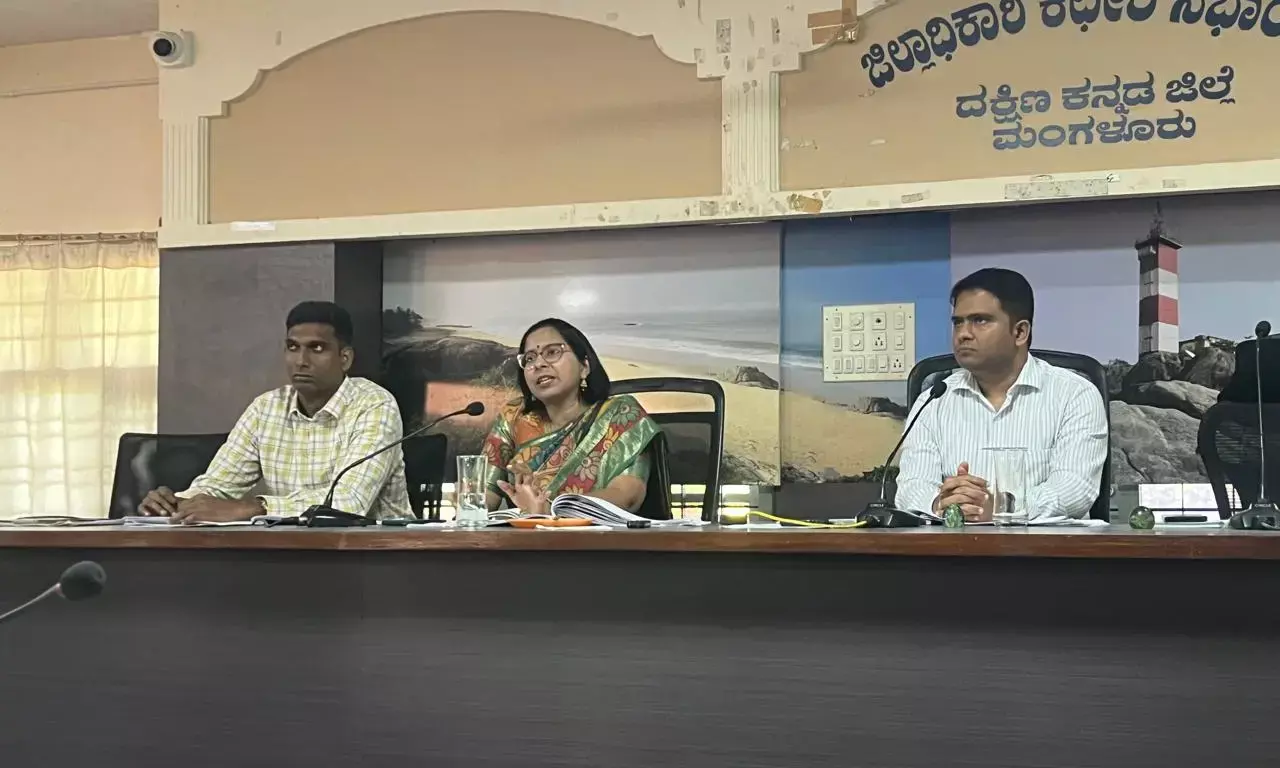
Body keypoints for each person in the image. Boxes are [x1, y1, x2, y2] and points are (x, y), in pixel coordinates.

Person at [138, 301, 410, 522]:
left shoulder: (374, 405)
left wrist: (253, 508)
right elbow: (219, 486)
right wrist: (177, 503)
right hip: (289, 552)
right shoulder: (266, 408)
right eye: (293, 347)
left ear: (345, 358)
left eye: (316, 348)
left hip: (378, 555)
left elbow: (348, 502)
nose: (301, 361)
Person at [894, 268, 1108, 521]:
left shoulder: (1074, 395)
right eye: (958, 322)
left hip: (1044, 544)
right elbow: (911, 486)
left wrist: (1000, 506)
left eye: (980, 320)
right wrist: (941, 503)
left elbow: (1076, 488)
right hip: (953, 543)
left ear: (1020, 332)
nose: (963, 334)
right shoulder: (933, 401)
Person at [482, 318, 662, 516]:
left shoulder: (621, 414)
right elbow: (482, 495)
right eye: (529, 358)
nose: (538, 364)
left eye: (552, 352)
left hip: (602, 533)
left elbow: (627, 496)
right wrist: (468, 505)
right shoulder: (514, 416)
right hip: (526, 534)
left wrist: (551, 510)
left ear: (584, 366)